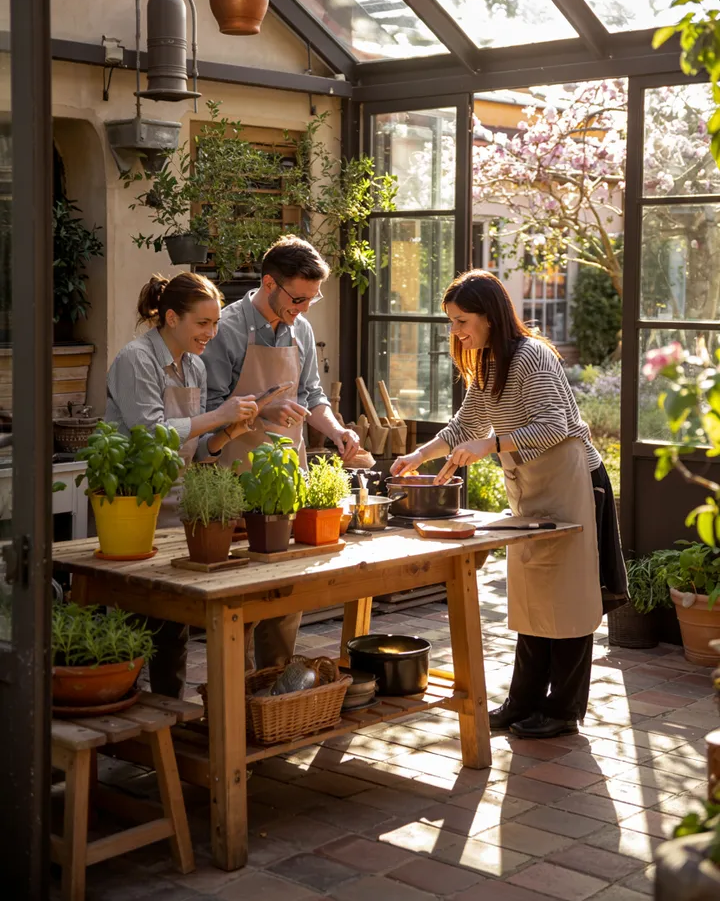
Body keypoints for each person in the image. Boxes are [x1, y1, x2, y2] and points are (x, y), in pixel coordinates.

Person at [391, 270, 626, 740]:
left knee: (571, 602)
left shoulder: (532, 356)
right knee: (533, 598)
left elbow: (555, 424)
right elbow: (464, 426)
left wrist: (491, 444)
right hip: (536, 489)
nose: (456, 332)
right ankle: (522, 702)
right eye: (452, 322)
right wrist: (419, 454)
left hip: (575, 484)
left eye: (461, 321)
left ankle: (562, 712)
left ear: (490, 316)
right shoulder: (489, 363)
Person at [202, 235, 360, 669]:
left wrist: (338, 431)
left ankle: (273, 689)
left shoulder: (301, 328)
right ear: (269, 283)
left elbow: (311, 394)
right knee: (240, 595)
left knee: (286, 589)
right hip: (232, 474)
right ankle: (234, 699)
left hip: (284, 474)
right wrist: (263, 408)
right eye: (298, 297)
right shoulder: (227, 329)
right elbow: (209, 408)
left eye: (312, 298)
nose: (305, 308)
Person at [105, 272, 259, 696]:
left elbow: (198, 445)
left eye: (214, 324)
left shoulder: (194, 364)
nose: (211, 333)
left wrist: (229, 431)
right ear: (171, 317)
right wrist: (219, 416)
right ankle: (127, 716)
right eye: (202, 324)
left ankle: (166, 720)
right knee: (135, 621)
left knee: (171, 624)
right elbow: (148, 434)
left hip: (177, 503)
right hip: (131, 504)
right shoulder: (136, 359)